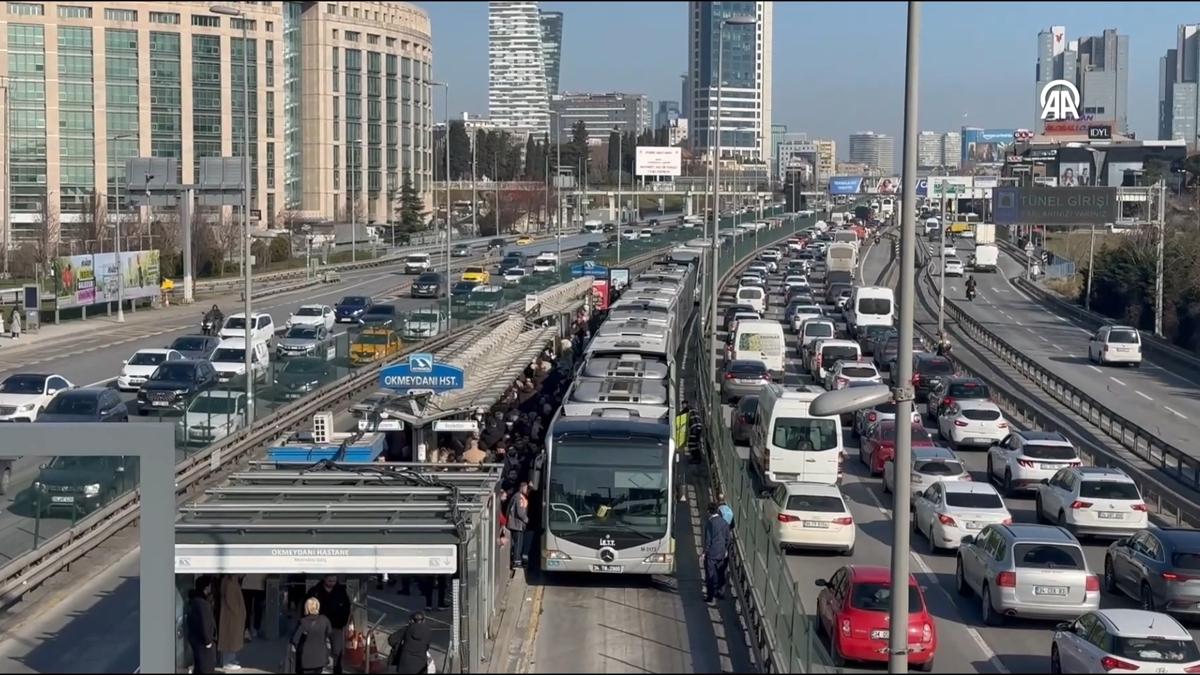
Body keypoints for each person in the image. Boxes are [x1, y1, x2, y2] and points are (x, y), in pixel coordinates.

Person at [307, 575, 352, 674]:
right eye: (330, 580)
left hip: (336, 625)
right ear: (324, 579)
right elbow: (308, 607)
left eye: (334, 581)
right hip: (320, 626)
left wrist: (344, 622)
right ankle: (317, 669)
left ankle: (337, 669)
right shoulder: (315, 591)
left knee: (337, 650)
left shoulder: (340, 591)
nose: (332, 583)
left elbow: (347, 607)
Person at [291, 597, 333, 675]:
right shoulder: (325, 620)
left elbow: (294, 640)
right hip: (320, 659)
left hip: (306, 660)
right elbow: (329, 634)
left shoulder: (303, 622)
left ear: (306, 607)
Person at [186, 577, 218, 674]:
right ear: (206, 587)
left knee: (200, 666)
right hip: (203, 643)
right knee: (206, 667)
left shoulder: (195, 601)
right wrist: (208, 641)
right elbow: (205, 623)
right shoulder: (202, 604)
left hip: (197, 640)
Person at [702, 502, 733, 603]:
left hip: (712, 553)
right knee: (721, 572)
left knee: (710, 574)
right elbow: (728, 538)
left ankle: (710, 596)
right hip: (721, 552)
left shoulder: (710, 523)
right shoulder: (724, 523)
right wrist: (725, 549)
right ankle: (721, 592)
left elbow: (708, 540)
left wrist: (704, 553)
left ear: (709, 511)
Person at [218, 575, 247, 671]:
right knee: (230, 640)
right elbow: (232, 602)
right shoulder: (230, 583)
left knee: (232, 640)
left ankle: (231, 660)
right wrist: (238, 612)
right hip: (232, 618)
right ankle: (228, 662)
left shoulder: (231, 582)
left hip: (232, 618)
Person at [505, 481, 531, 570]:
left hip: (516, 524)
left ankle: (516, 561)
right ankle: (516, 562)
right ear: (523, 488)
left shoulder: (519, 496)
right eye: (527, 488)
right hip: (517, 525)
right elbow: (520, 512)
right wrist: (526, 520)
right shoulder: (519, 497)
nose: (527, 490)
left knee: (517, 543)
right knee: (518, 544)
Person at [242, 573, 266, 640]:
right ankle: (256, 628)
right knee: (258, 608)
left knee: (247, 609)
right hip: (259, 584)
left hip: (246, 584)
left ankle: (246, 629)